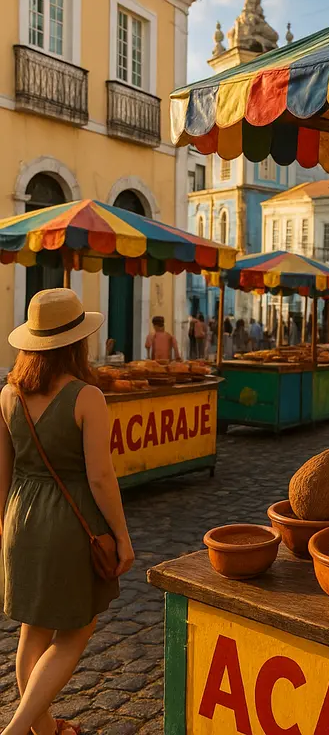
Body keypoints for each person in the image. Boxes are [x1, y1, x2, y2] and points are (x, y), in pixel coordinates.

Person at [0, 289, 134, 735]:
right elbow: (100, 478)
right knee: (75, 631)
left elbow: (3, 473)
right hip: (69, 524)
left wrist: (4, 528)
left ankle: (45, 731)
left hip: (20, 519)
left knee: (33, 631)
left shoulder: (8, 394)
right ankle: (17, 730)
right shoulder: (86, 396)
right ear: (77, 343)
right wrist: (122, 536)